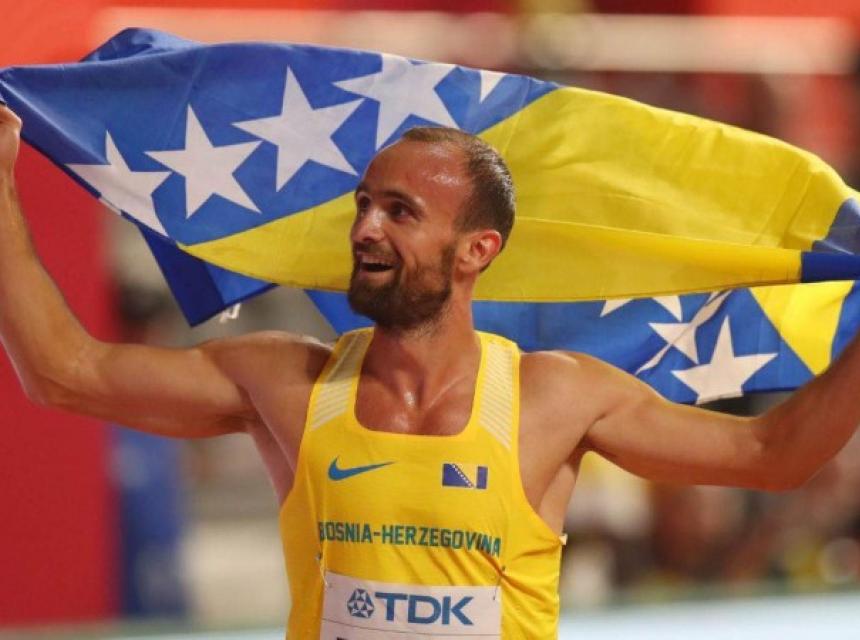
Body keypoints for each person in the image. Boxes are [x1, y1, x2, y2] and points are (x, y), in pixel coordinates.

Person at [2, 102, 859, 640]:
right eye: (363, 205)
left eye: (400, 212)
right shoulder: (288, 383)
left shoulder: (553, 397)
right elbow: (64, 371)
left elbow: (773, 455)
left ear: (476, 250)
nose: (365, 229)